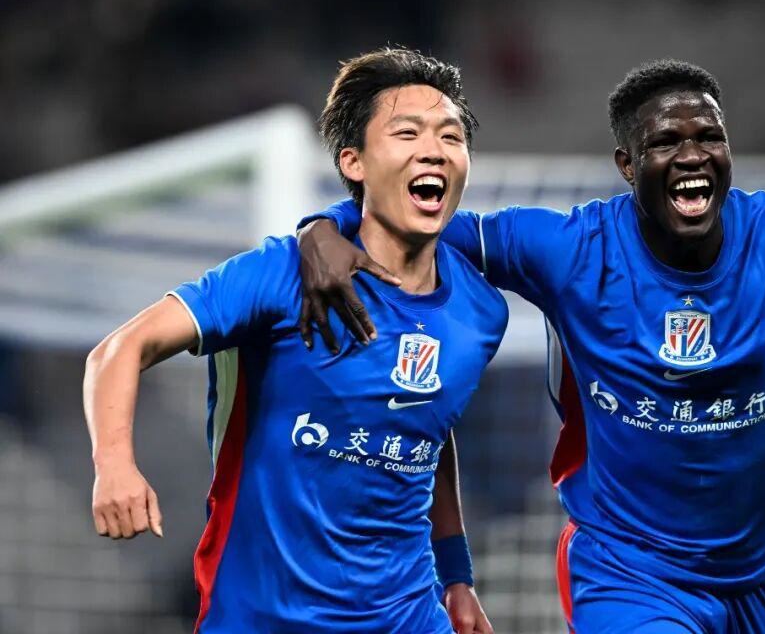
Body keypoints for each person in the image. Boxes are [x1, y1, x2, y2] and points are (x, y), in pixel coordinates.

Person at [296, 59, 765, 633]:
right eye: (666, 143)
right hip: (626, 574)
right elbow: (405, 217)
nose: (692, 156)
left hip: (757, 581)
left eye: (709, 138)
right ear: (627, 164)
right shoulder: (570, 249)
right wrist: (321, 228)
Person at [83, 48, 507, 633]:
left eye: (451, 136)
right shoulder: (279, 273)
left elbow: (425, 428)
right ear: (353, 161)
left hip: (406, 613)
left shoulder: (481, 311)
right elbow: (118, 350)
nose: (433, 149)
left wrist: (456, 577)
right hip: (264, 616)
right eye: (407, 133)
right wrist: (114, 465)